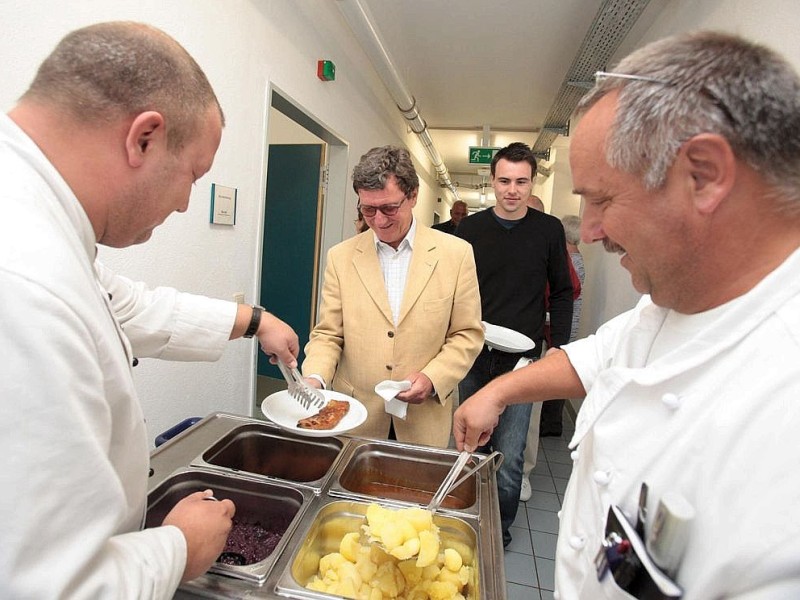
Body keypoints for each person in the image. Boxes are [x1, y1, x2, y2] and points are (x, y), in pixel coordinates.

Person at [454, 31, 800, 598]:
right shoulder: (672, 302)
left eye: (603, 199)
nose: (588, 229)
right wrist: (496, 393)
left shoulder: (781, 416)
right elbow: (597, 357)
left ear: (705, 175)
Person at [0, 22, 300, 598]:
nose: (188, 201)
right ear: (144, 139)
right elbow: (54, 588)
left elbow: (121, 305)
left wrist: (254, 321)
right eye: (192, 174)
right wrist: (178, 547)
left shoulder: (37, 219)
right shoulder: (24, 280)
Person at [302, 145, 483, 447]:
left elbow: (467, 334)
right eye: (368, 210)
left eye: (388, 208)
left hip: (422, 419)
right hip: (356, 418)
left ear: (413, 195)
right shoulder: (341, 257)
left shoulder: (456, 254)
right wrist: (315, 378)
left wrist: (433, 377)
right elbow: (328, 335)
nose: (379, 220)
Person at [456, 142, 573, 547]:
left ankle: (496, 535)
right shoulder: (469, 230)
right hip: (471, 355)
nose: (512, 190)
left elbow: (561, 292)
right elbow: (453, 292)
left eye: (521, 182)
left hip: (522, 361)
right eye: (504, 180)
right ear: (492, 182)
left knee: (508, 457)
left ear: (532, 183)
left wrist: (558, 346)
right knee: (469, 444)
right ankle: (461, 520)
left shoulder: (548, 230)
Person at [537, 214, 586, 438]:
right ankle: (552, 423)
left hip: (559, 324)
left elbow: (565, 294)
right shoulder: (579, 258)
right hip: (568, 324)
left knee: (554, 373)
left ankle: (550, 423)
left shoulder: (568, 260)